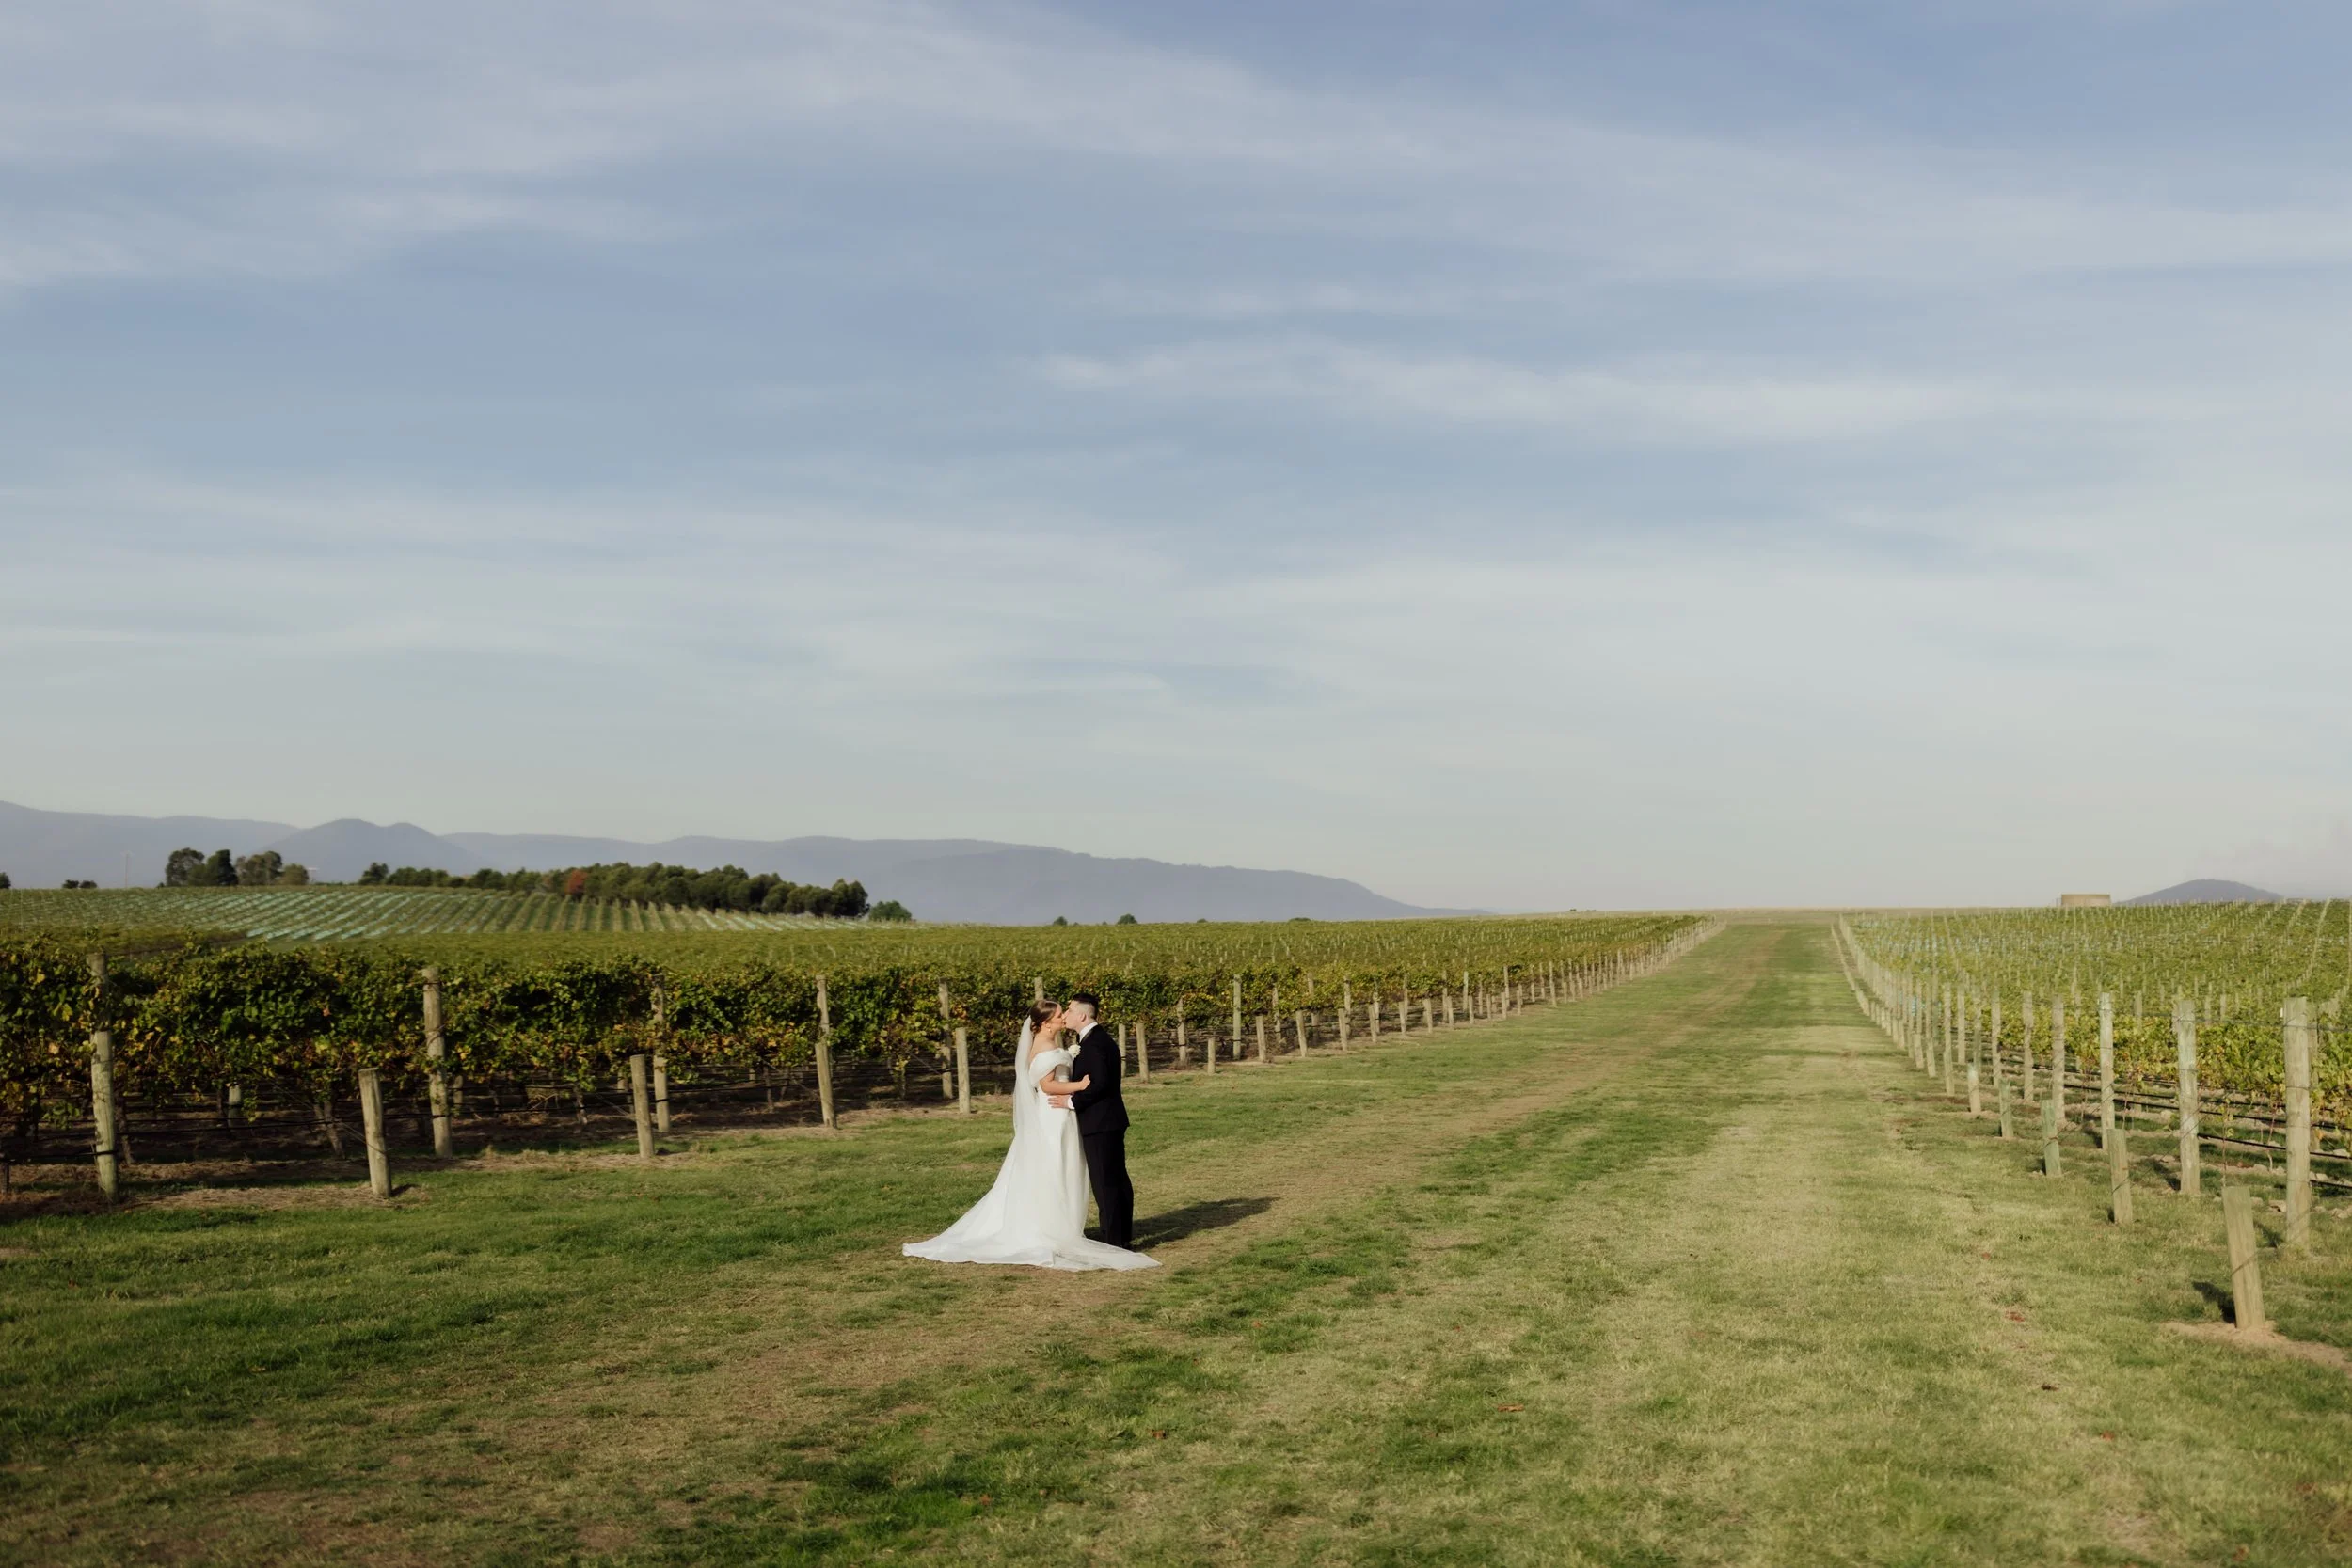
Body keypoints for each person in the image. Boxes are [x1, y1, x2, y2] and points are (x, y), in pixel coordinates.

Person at [901, 1000, 1156, 1272]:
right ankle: (1052, 1230)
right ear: (1046, 1022)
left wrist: (1073, 1095)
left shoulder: (1079, 1042)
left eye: (1066, 1013)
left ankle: (1076, 1230)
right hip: (1054, 1115)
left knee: (1073, 1171)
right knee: (1055, 1170)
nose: (1064, 1017)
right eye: (1060, 1014)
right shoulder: (1047, 1047)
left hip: (1068, 1115)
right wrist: (1078, 1087)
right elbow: (1047, 1085)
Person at [1059, 991, 1136, 1252]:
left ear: (1082, 1015)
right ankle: (1122, 1234)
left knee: (1105, 1182)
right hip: (1107, 1120)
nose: (1065, 1014)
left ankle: (1113, 1241)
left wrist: (1072, 1102)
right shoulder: (1094, 1039)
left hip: (1101, 1121)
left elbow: (1101, 1084)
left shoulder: (1095, 1044)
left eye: (1069, 1010)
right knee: (1115, 1178)